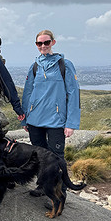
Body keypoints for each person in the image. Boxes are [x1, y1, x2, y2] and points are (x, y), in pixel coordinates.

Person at [21, 29, 80, 196]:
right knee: (39, 156)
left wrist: (71, 123)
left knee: (56, 158)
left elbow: (73, 93)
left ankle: (60, 193)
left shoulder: (64, 64)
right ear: (36, 45)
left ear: (53, 42)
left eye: (46, 42)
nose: (43, 46)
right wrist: (25, 118)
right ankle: (42, 186)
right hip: (35, 120)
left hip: (56, 120)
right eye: (40, 43)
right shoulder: (34, 66)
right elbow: (27, 93)